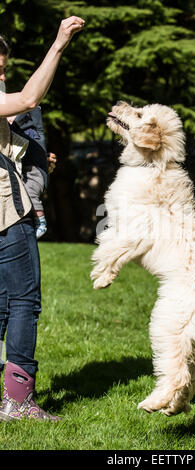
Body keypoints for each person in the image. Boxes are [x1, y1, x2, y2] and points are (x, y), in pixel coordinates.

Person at [0, 16, 85, 422]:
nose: (1, 74)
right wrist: (58, 44)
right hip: (6, 215)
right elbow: (30, 98)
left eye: (3, 67)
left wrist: (30, 155)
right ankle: (17, 402)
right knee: (24, 302)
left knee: (1, 303)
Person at [8, 105, 57, 239]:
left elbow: (30, 105)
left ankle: (40, 222)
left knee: (28, 192)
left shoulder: (29, 132)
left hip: (33, 170)